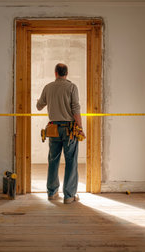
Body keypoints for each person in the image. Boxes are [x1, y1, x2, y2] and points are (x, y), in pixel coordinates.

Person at [36, 63, 86, 204]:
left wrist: (42, 100)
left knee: (53, 160)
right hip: (69, 129)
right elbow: (76, 109)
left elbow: (39, 106)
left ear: (55, 73)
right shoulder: (71, 87)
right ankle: (69, 196)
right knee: (71, 162)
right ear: (66, 73)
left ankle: (52, 193)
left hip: (53, 129)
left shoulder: (48, 87)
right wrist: (80, 128)